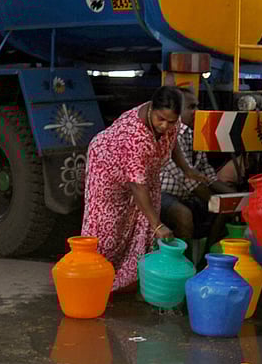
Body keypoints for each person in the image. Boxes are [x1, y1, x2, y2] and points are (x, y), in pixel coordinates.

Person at [84, 86, 207, 292]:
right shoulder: (134, 134)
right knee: (109, 228)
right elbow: (136, 185)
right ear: (151, 108)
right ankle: (94, 281)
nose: (165, 126)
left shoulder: (169, 123)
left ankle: (129, 282)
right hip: (107, 170)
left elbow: (171, 140)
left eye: (171, 121)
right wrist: (159, 225)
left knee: (143, 226)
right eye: (161, 119)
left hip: (144, 172)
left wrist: (186, 169)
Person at [159, 87, 239, 243]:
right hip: (161, 195)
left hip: (187, 196)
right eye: (191, 107)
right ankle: (185, 264)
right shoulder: (168, 135)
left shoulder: (194, 135)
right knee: (184, 214)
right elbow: (189, 181)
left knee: (226, 204)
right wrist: (219, 202)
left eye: (197, 106)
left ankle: (207, 258)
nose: (197, 111)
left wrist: (233, 196)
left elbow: (208, 175)